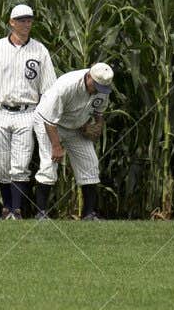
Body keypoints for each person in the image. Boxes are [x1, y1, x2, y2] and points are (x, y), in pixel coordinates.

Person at [0, 4, 56, 218]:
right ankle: (7, 207)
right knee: (1, 165)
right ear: (11, 22)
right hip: (0, 111)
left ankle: (16, 210)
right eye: (21, 20)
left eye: (29, 20)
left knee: (20, 164)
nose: (26, 24)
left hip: (28, 112)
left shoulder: (40, 50)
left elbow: (49, 89)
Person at [34, 63, 114, 220]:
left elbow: (99, 110)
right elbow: (49, 121)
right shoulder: (66, 86)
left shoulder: (103, 86)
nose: (98, 90)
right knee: (49, 165)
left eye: (102, 88)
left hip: (76, 126)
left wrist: (97, 125)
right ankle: (41, 213)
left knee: (90, 164)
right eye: (96, 86)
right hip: (49, 123)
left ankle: (89, 214)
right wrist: (56, 146)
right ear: (89, 76)